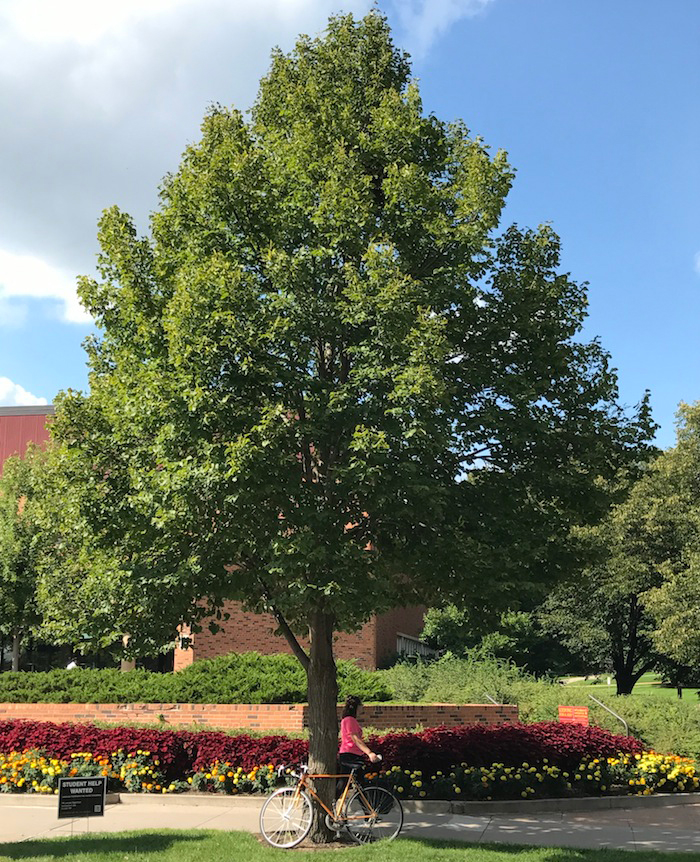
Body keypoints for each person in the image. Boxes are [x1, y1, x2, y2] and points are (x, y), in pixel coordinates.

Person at [337, 695, 381, 794]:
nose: (362, 708)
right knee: (358, 785)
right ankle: (332, 804)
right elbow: (356, 739)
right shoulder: (350, 720)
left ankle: (332, 804)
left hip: (349, 754)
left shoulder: (347, 720)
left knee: (350, 783)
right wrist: (369, 753)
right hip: (351, 756)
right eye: (361, 705)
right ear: (356, 707)